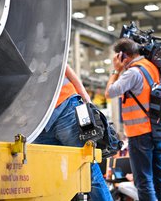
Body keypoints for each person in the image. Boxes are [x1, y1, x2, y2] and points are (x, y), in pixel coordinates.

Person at [34, 64, 112, 201]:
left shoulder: (36, 44)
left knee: (87, 169)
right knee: (50, 176)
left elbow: (62, 64)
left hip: (65, 107)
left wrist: (86, 100)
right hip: (39, 121)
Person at [105, 38, 161, 201]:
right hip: (158, 130)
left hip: (140, 134)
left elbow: (110, 92)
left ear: (122, 56)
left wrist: (116, 71)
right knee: (160, 178)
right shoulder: (153, 67)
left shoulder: (133, 72)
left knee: (144, 180)